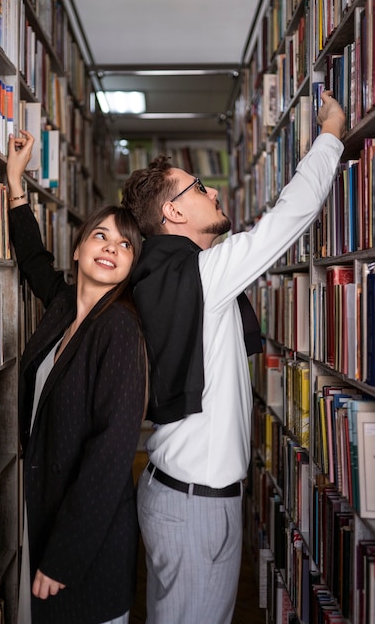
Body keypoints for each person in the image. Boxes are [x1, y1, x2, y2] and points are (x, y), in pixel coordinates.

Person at [120, 91, 346, 624]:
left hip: (181, 496)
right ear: (173, 211)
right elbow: (290, 217)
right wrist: (331, 133)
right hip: (193, 504)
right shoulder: (200, 276)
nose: (214, 190)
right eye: (198, 187)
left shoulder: (165, 276)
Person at [6, 130, 147, 624]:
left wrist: (64, 555)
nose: (110, 248)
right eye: (100, 236)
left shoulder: (120, 330)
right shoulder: (65, 305)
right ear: (79, 250)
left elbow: (111, 454)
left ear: (130, 266)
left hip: (87, 547)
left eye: (124, 244)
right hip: (44, 521)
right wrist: (14, 181)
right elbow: (33, 261)